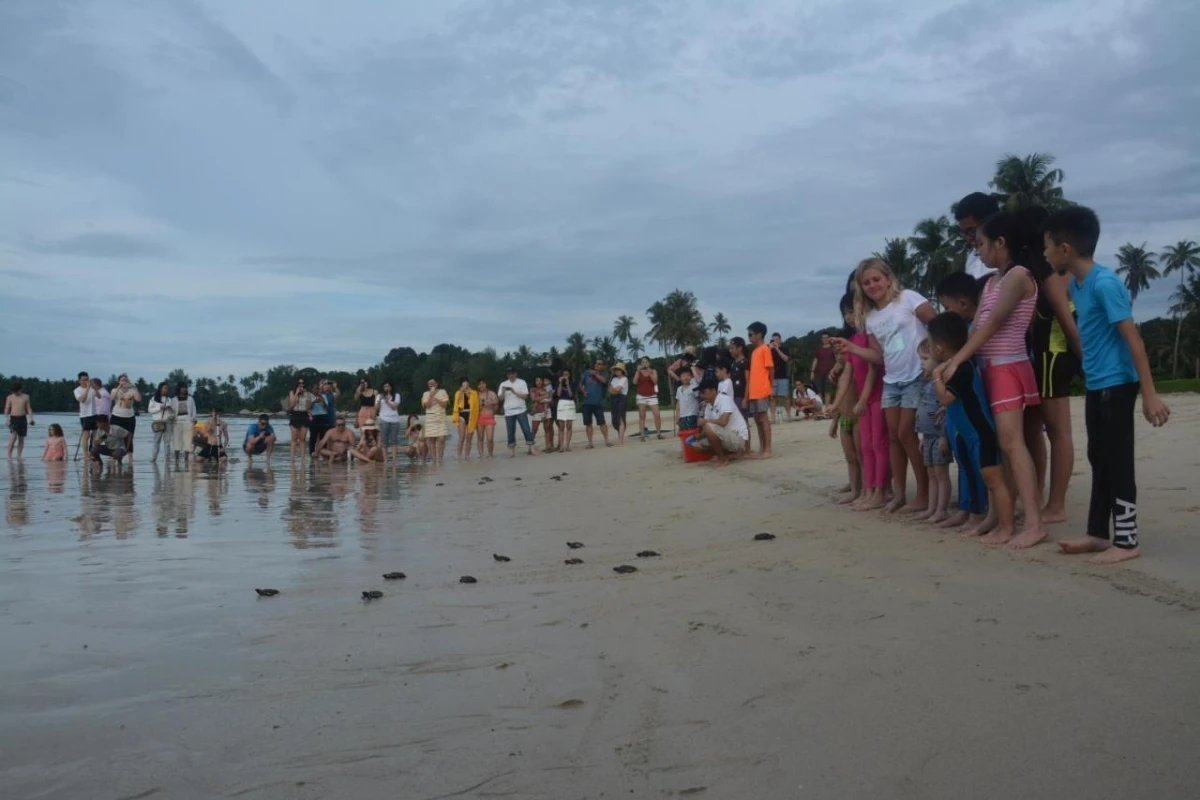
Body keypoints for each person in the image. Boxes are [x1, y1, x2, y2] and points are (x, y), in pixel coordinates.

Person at [1043, 206, 1170, 565]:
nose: (1045, 254)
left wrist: (1149, 394)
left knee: (1118, 461)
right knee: (1099, 457)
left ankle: (1127, 541)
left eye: (1047, 246)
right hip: (1098, 383)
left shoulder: (1104, 283)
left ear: (1065, 249)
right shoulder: (1077, 284)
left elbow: (1134, 340)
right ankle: (1098, 533)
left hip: (1118, 384)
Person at [937, 210, 1046, 549]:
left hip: (1007, 366)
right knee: (1001, 446)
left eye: (982, 244)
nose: (979, 251)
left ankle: (1033, 523)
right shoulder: (991, 282)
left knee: (1013, 444)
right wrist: (955, 359)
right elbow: (977, 327)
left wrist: (958, 359)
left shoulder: (1018, 275)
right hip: (989, 368)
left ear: (1001, 243)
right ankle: (998, 517)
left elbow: (993, 325)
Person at [831, 258, 935, 513]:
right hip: (892, 381)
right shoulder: (870, 318)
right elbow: (878, 357)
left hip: (916, 375)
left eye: (876, 279)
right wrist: (852, 347)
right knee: (894, 437)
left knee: (906, 432)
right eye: (866, 282)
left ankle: (924, 493)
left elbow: (936, 324)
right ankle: (898, 494)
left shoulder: (908, 298)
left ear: (888, 278)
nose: (872, 285)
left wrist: (935, 358)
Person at [927, 312, 1014, 542]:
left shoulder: (962, 368)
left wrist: (936, 377)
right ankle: (990, 520)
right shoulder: (956, 366)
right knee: (986, 480)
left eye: (930, 344)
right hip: (970, 436)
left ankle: (1006, 527)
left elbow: (945, 398)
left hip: (981, 435)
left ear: (938, 349)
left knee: (995, 482)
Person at [1026, 244, 1082, 525]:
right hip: (1045, 356)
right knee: (1037, 430)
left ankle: (1056, 505)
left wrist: (1086, 362)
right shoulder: (1053, 275)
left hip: (1053, 355)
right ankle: (1038, 497)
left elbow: (1068, 321)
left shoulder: (1055, 277)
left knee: (1059, 432)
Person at [836, 291, 887, 512]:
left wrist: (864, 398)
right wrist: (836, 403)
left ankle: (880, 492)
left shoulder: (871, 336)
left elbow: (874, 368)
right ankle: (868, 490)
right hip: (863, 401)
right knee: (865, 446)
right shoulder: (854, 339)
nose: (849, 317)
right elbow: (847, 374)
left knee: (878, 445)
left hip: (877, 396)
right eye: (845, 313)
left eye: (852, 311)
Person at [915, 341, 952, 524]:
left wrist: (945, 436)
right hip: (928, 436)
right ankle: (932, 508)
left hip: (939, 436)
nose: (921, 363)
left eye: (925, 359)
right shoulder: (926, 383)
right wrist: (922, 436)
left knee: (941, 474)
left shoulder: (940, 384)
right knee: (931, 474)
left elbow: (945, 410)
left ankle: (941, 509)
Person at [690, 376, 750, 468]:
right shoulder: (708, 406)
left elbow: (723, 422)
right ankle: (730, 454)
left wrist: (705, 421)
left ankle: (722, 457)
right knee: (696, 446)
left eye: (704, 392)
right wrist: (696, 437)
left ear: (713, 390)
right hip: (725, 435)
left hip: (737, 438)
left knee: (707, 425)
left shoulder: (724, 399)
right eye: (701, 393)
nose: (702, 396)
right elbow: (709, 430)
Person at [826, 352, 861, 505]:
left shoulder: (856, 371)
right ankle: (854, 487)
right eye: (836, 353)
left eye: (843, 353)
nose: (839, 356)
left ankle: (863, 488)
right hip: (844, 417)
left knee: (861, 456)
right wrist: (835, 422)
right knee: (850, 458)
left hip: (857, 418)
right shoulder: (838, 373)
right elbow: (839, 399)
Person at [955, 191, 1001, 280]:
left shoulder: (1015, 252)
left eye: (972, 231)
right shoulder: (971, 257)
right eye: (964, 233)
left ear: (991, 222)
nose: (968, 238)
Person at [745, 322, 774, 458]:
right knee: (757, 419)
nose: (749, 337)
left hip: (762, 389)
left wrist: (770, 387)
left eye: (751, 334)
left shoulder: (765, 349)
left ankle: (768, 449)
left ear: (759, 334)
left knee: (763, 418)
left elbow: (771, 369)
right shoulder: (754, 351)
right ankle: (762, 448)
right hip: (754, 390)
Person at [499, 366, 537, 457]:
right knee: (510, 431)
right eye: (509, 373)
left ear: (516, 373)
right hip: (509, 411)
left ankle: (531, 448)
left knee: (526, 429)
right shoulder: (503, 384)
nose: (511, 375)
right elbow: (500, 399)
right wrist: (503, 391)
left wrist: (514, 391)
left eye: (512, 373)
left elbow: (525, 396)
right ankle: (511, 450)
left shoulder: (522, 382)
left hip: (521, 410)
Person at [577, 359, 611, 449]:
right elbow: (580, 384)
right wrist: (583, 391)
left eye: (600, 364)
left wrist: (595, 374)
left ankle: (607, 441)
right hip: (586, 403)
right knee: (588, 423)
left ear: (603, 366)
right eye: (596, 363)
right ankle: (590, 443)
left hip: (598, 403)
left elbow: (604, 381)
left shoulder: (604, 374)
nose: (597, 365)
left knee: (602, 422)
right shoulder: (586, 373)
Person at [109, 374, 142, 459]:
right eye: (122, 380)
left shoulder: (132, 391)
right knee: (115, 438)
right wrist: (119, 387)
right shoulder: (115, 390)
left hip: (129, 417)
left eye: (126, 380)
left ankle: (130, 460)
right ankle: (115, 458)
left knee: (129, 438)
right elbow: (111, 398)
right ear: (119, 381)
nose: (124, 382)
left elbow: (138, 399)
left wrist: (135, 388)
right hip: (116, 416)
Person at [634, 358, 663, 441]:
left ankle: (659, 433)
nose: (644, 363)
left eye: (646, 362)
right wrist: (637, 371)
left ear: (649, 363)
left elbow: (655, 381)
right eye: (643, 362)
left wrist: (649, 372)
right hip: (641, 396)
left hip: (652, 395)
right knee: (642, 416)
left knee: (657, 415)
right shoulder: (639, 372)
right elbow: (634, 382)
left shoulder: (653, 371)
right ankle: (642, 435)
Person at [308, 379, 339, 457]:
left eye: (317, 388)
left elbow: (326, 407)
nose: (316, 390)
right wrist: (314, 401)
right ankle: (312, 453)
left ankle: (324, 453)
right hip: (314, 417)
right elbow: (308, 407)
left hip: (325, 417)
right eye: (315, 388)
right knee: (313, 437)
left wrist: (322, 401)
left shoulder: (325, 395)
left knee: (324, 437)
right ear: (312, 389)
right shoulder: (309, 396)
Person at [452, 378, 480, 461]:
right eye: (463, 384)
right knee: (462, 436)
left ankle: (467, 455)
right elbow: (457, 403)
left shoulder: (473, 393)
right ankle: (459, 456)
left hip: (471, 414)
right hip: (462, 414)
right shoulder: (458, 393)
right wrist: (461, 392)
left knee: (469, 437)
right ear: (461, 385)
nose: (465, 386)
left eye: (467, 384)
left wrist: (469, 393)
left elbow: (474, 404)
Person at [421, 379, 449, 461]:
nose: (431, 385)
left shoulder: (443, 392)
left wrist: (435, 398)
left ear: (437, 384)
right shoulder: (425, 394)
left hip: (440, 417)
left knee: (441, 438)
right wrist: (431, 395)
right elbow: (428, 406)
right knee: (431, 439)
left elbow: (444, 405)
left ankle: (440, 458)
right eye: (430, 384)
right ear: (428, 385)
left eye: (433, 383)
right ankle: (434, 459)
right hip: (430, 418)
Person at [287, 377, 315, 460]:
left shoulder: (308, 393)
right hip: (295, 414)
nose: (301, 385)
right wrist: (296, 393)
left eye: (302, 383)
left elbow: (308, 407)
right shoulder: (292, 392)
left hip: (304, 415)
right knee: (294, 439)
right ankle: (292, 459)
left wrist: (305, 396)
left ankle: (303, 459)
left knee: (302, 439)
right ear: (296, 384)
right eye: (299, 383)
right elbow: (291, 405)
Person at [728, 338, 750, 443]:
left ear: (740, 348)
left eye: (732, 348)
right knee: (736, 423)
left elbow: (748, 381)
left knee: (744, 423)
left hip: (741, 396)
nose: (730, 350)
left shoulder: (745, 362)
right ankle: (741, 447)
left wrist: (745, 399)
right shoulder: (733, 363)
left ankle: (747, 448)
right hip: (734, 396)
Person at [5, 380, 34, 458]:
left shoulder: (26, 396)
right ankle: (9, 455)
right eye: (14, 391)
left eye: (16, 391)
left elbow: (28, 408)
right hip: (13, 419)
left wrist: (31, 418)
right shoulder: (10, 397)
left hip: (22, 418)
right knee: (13, 437)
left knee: (21, 439)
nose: (15, 393)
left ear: (20, 389)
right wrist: (7, 419)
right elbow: (7, 408)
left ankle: (19, 456)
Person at [376, 380, 403, 463]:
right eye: (385, 386)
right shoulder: (379, 396)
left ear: (391, 387)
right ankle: (385, 460)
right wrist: (379, 401)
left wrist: (386, 400)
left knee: (394, 441)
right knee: (384, 441)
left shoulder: (396, 395)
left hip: (394, 420)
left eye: (388, 386)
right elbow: (376, 408)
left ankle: (395, 460)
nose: (386, 388)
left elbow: (394, 407)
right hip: (383, 419)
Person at [148, 382, 176, 462]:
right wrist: (160, 407)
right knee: (156, 441)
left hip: (168, 422)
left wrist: (170, 411)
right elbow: (150, 410)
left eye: (167, 388)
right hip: (158, 422)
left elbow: (173, 413)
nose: (167, 390)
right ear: (160, 389)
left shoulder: (169, 400)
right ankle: (154, 458)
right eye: (165, 388)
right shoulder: (153, 399)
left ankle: (167, 458)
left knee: (167, 442)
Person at [172, 383, 197, 467]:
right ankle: (177, 458)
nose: (184, 389)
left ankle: (186, 458)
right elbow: (172, 411)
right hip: (177, 422)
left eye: (185, 388)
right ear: (179, 389)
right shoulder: (174, 399)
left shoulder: (191, 399)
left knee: (187, 441)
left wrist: (193, 419)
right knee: (177, 441)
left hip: (188, 421)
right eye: (182, 388)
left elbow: (194, 410)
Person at [73, 371, 97, 461]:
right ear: (79, 381)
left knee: (95, 435)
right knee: (86, 436)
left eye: (87, 379)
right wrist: (87, 389)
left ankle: (93, 453)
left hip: (94, 414)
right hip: (85, 415)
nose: (85, 381)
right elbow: (82, 400)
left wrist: (94, 387)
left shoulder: (92, 389)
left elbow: (99, 396)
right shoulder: (77, 390)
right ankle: (85, 454)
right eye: (83, 380)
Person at [768, 333, 791, 422]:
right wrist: (769, 349)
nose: (775, 341)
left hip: (783, 376)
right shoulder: (769, 350)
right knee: (772, 397)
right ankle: (773, 417)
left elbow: (786, 359)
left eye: (777, 340)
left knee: (785, 396)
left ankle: (788, 415)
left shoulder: (784, 349)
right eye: (773, 340)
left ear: (780, 340)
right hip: (772, 376)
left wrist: (777, 349)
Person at [809, 334, 837, 407]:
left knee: (827, 391)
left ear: (829, 338)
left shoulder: (833, 349)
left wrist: (835, 370)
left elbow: (837, 359)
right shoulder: (819, 349)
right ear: (821, 339)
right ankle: (820, 407)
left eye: (826, 338)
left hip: (829, 372)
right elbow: (815, 360)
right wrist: (812, 371)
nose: (825, 339)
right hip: (819, 372)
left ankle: (827, 408)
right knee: (819, 391)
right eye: (823, 338)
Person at [553, 368, 576, 452]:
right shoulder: (558, 384)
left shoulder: (572, 383)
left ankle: (567, 446)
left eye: (567, 374)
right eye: (564, 374)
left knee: (569, 426)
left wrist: (568, 384)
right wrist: (560, 383)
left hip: (570, 403)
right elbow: (558, 394)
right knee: (561, 426)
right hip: (561, 403)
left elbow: (571, 395)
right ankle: (561, 446)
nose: (565, 376)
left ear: (569, 375)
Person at [608, 362, 630, 446]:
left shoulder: (624, 379)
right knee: (614, 420)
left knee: (620, 418)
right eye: (616, 370)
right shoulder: (614, 379)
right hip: (614, 399)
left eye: (619, 370)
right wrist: (615, 390)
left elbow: (618, 389)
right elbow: (610, 390)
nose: (617, 371)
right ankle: (620, 436)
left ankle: (620, 440)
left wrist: (614, 390)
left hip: (622, 399)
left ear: (622, 371)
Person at [476, 379, 499, 457]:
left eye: (483, 383)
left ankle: (490, 454)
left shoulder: (491, 394)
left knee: (490, 438)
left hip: (489, 417)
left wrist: (493, 411)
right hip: (479, 418)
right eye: (479, 384)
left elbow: (496, 404)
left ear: (486, 384)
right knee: (480, 438)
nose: (481, 385)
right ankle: (481, 455)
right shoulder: (476, 394)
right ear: (477, 386)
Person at [530, 377, 553, 452]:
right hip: (537, 411)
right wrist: (544, 397)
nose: (539, 382)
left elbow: (550, 399)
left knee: (547, 428)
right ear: (535, 382)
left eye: (540, 380)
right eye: (537, 380)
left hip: (546, 410)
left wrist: (539, 398)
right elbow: (533, 399)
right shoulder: (533, 389)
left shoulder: (546, 388)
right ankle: (531, 447)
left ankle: (547, 447)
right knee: (534, 429)